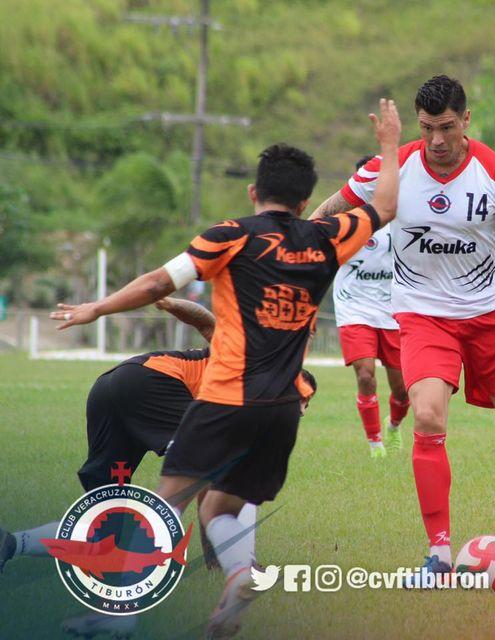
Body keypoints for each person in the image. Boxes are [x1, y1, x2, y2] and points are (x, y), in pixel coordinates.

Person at [48, 98, 401, 638]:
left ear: (254, 192)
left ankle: (116, 618)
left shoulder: (230, 234)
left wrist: (95, 308)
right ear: (307, 200)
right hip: (286, 408)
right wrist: (390, 145)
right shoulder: (329, 237)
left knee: (166, 502)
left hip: (225, 399)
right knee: (219, 504)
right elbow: (386, 206)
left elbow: (156, 284)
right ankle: (239, 575)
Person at [310, 75, 495, 582]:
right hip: (422, 316)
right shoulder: (391, 169)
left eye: (447, 127)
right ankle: (438, 558)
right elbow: (327, 215)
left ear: (466, 119)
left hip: (489, 317)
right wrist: (292, 256)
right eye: (426, 129)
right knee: (426, 416)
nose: (437, 140)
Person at [0, 298, 316, 638]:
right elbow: (206, 321)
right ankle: (243, 567)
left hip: (111, 388)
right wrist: (164, 299)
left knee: (110, 527)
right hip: (153, 382)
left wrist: (213, 555)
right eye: (302, 398)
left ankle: (12, 544)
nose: (302, 409)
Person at [332, 155, 410, 458]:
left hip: (394, 311)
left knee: (403, 389)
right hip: (354, 308)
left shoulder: (404, 221)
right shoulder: (344, 225)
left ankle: (393, 427)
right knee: (365, 375)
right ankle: (375, 444)